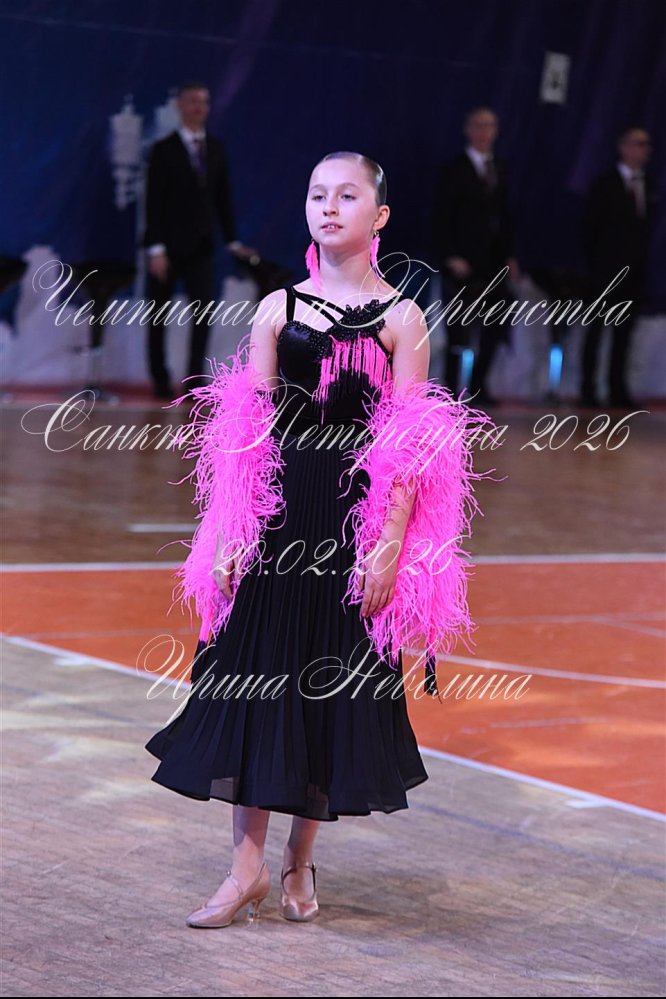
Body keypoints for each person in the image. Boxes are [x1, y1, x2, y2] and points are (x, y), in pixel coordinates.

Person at [145, 151, 493, 928]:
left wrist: (389, 541)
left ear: (380, 215)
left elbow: (406, 443)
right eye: (316, 194)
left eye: (347, 195)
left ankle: (299, 860)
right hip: (277, 516)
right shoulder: (278, 308)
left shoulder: (404, 318)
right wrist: (230, 529)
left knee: (327, 688)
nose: (328, 207)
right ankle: (244, 870)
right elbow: (248, 431)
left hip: (350, 522)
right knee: (252, 677)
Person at [142, 80, 258, 399]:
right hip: (166, 247)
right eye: (193, 101)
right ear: (180, 105)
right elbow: (152, 202)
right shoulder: (163, 150)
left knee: (202, 314)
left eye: (204, 102)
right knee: (158, 315)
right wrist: (155, 248)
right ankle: (160, 378)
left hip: (201, 247)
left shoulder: (216, 149)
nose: (199, 107)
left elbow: (223, 198)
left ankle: (193, 380)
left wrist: (232, 241)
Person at [433, 106, 520, 405]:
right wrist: (450, 255)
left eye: (489, 126)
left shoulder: (500, 167)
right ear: (467, 130)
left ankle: (479, 386)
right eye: (478, 125)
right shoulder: (454, 168)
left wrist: (510, 255)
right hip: (462, 262)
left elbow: (505, 215)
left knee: (494, 326)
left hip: (493, 262)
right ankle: (450, 390)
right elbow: (441, 216)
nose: (484, 132)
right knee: (458, 330)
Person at [579, 125, 656, 409]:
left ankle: (617, 389)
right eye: (638, 143)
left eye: (646, 144)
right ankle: (588, 389)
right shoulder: (606, 184)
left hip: (634, 274)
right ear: (623, 147)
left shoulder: (648, 184)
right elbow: (591, 229)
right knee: (596, 331)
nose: (644, 150)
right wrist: (598, 268)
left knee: (623, 335)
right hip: (604, 274)